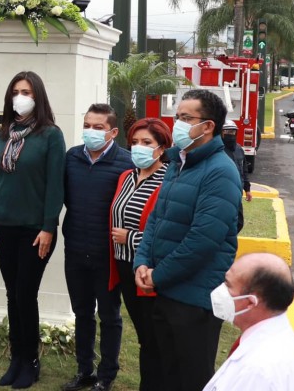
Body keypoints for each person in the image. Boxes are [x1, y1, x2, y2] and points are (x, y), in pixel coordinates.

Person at [133, 88, 242, 391]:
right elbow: (156, 218)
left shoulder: (220, 172)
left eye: (184, 118)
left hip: (194, 301)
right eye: (176, 116)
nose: (176, 124)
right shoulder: (179, 164)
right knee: (157, 373)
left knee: (187, 378)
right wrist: (141, 262)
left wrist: (159, 275)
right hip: (164, 291)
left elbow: (203, 239)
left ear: (207, 126)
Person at [0, 71, 65, 389]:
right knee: (12, 295)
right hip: (4, 227)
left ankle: (30, 361)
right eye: (15, 91)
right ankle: (16, 357)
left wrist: (48, 226)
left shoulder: (50, 135)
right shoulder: (4, 133)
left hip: (35, 231)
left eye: (26, 91)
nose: (20, 96)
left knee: (26, 295)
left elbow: (55, 186)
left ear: (37, 96)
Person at [60, 104, 133, 391]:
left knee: (109, 315)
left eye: (98, 127)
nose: (91, 131)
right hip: (76, 248)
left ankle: (106, 376)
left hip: (108, 256)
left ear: (113, 132)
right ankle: (84, 370)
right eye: (87, 125)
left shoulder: (126, 162)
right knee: (81, 313)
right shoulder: (72, 158)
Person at [108, 118, 172, 391]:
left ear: (161, 148)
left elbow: (168, 231)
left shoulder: (169, 179)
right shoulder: (126, 176)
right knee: (143, 334)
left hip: (146, 269)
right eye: (134, 142)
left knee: (153, 336)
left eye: (147, 143)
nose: (139, 148)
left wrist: (130, 238)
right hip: (122, 266)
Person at [203, 253, 294, 390]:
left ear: (250, 302)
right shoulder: (281, 341)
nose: (221, 290)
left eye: (228, 285)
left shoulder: (257, 370)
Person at [222, 120, 252, 201]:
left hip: (238, 191)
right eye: (227, 132)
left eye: (232, 132)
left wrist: (247, 189)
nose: (230, 134)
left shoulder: (239, 149)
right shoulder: (218, 150)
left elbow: (244, 170)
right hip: (223, 192)